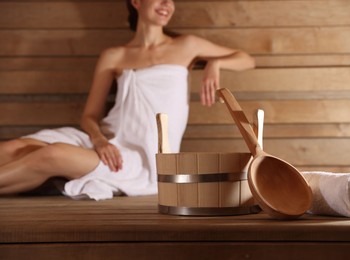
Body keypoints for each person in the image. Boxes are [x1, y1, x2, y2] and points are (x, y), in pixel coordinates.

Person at [0, 0, 255, 200]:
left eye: (171, 0)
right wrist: (99, 141)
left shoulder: (187, 45)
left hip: (138, 157)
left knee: (53, 153)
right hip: (101, 140)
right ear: (136, 2)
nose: (168, 4)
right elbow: (89, 115)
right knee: (13, 149)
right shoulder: (114, 55)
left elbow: (246, 59)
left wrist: (215, 62)